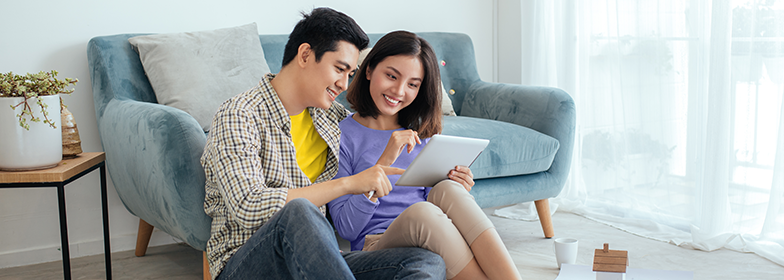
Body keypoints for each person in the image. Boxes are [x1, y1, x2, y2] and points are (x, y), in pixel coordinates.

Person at [201, 8, 446, 280]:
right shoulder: (239, 115)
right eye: (339, 69)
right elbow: (248, 205)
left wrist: (439, 171)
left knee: (423, 261)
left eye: (351, 73)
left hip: (315, 257)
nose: (343, 84)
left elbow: (376, 129)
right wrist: (349, 183)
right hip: (247, 262)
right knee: (299, 212)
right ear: (305, 55)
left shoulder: (331, 118)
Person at [327, 31, 522, 280]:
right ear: (369, 70)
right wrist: (383, 162)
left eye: (412, 84)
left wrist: (456, 182)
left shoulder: (422, 136)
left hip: (428, 241)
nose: (398, 90)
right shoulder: (341, 135)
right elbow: (346, 227)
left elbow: (438, 206)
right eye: (391, 75)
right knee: (423, 213)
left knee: (448, 191)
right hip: (375, 247)